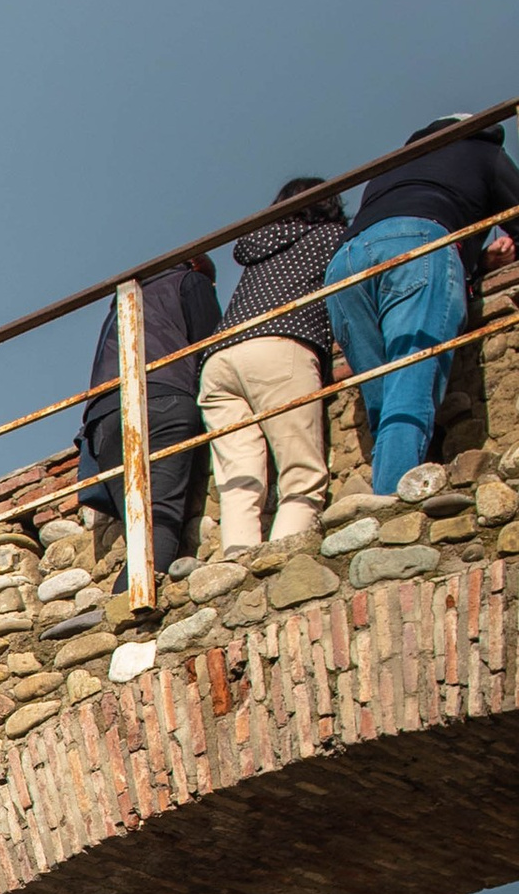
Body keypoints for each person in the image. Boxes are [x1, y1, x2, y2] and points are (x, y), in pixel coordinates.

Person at [323, 112, 519, 494]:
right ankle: (394, 504)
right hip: (419, 243)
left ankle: (400, 480)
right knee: (409, 383)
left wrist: (480, 262)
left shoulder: (394, 166)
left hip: (344, 264)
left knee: (383, 395)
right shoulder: (481, 147)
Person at [199, 179, 345, 551]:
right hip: (279, 345)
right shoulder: (331, 237)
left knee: (239, 481)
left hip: (219, 359)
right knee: (302, 473)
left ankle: (235, 560)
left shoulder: (259, 247)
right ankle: (286, 556)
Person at [75, 249, 220, 585]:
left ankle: (122, 607)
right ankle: (133, 617)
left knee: (141, 528)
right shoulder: (189, 281)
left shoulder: (121, 305)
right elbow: (211, 345)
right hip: (163, 399)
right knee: (159, 523)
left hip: (104, 418)